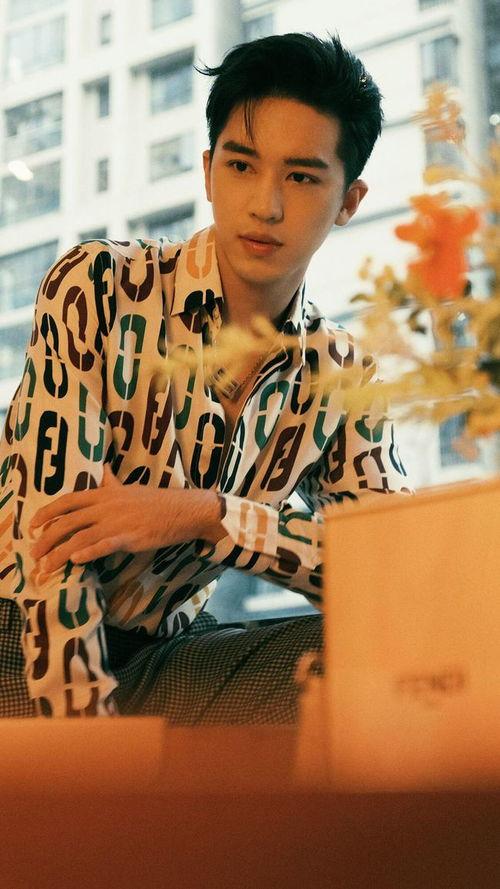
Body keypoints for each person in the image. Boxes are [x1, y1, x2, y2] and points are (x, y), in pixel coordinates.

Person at [0, 32, 410, 721]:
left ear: (349, 200)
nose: (265, 205)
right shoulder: (101, 285)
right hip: (22, 639)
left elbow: (395, 571)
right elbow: (53, 554)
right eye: (241, 165)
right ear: (208, 171)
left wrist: (210, 515)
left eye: (302, 177)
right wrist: (85, 744)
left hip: (166, 658)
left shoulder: (340, 373)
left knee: (379, 652)